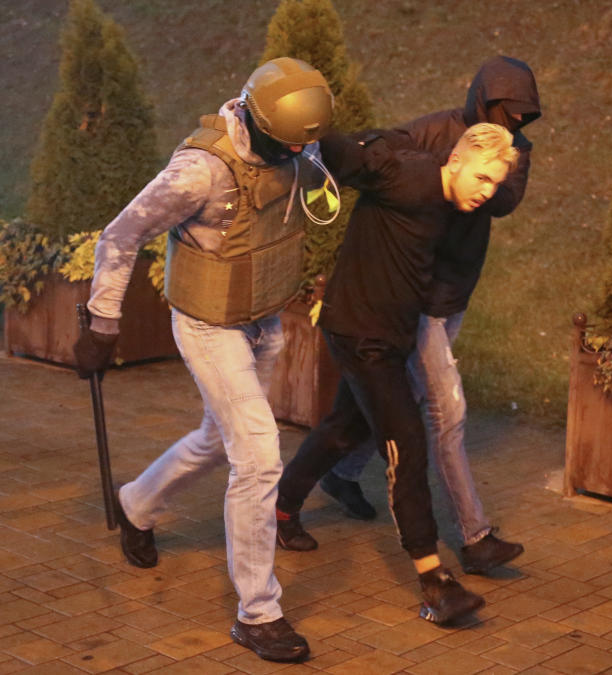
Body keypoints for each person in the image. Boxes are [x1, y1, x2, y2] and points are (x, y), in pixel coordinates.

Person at [73, 57, 336, 663]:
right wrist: (103, 324)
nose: (299, 150)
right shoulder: (200, 172)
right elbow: (120, 235)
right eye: (290, 142)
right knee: (260, 456)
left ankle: (136, 503)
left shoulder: (296, 144)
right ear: (255, 119)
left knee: (219, 441)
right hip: (208, 326)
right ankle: (258, 612)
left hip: (264, 318)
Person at [275, 123, 519, 625]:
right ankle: (434, 580)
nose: (486, 191)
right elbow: (351, 155)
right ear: (455, 162)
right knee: (405, 440)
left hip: (389, 335)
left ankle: (281, 507)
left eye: (495, 183)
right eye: (482, 178)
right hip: (361, 335)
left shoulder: (449, 200)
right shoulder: (410, 178)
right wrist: (307, 125)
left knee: (347, 428)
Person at [315, 55, 541, 574]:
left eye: (525, 117)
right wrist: (433, 173)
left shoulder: (513, 151)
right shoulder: (438, 129)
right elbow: (385, 151)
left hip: (451, 288)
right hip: (416, 293)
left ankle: (336, 472)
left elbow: (505, 200)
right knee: (447, 411)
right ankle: (474, 536)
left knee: (382, 407)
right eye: (509, 112)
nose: (517, 124)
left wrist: (480, 171)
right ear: (485, 98)